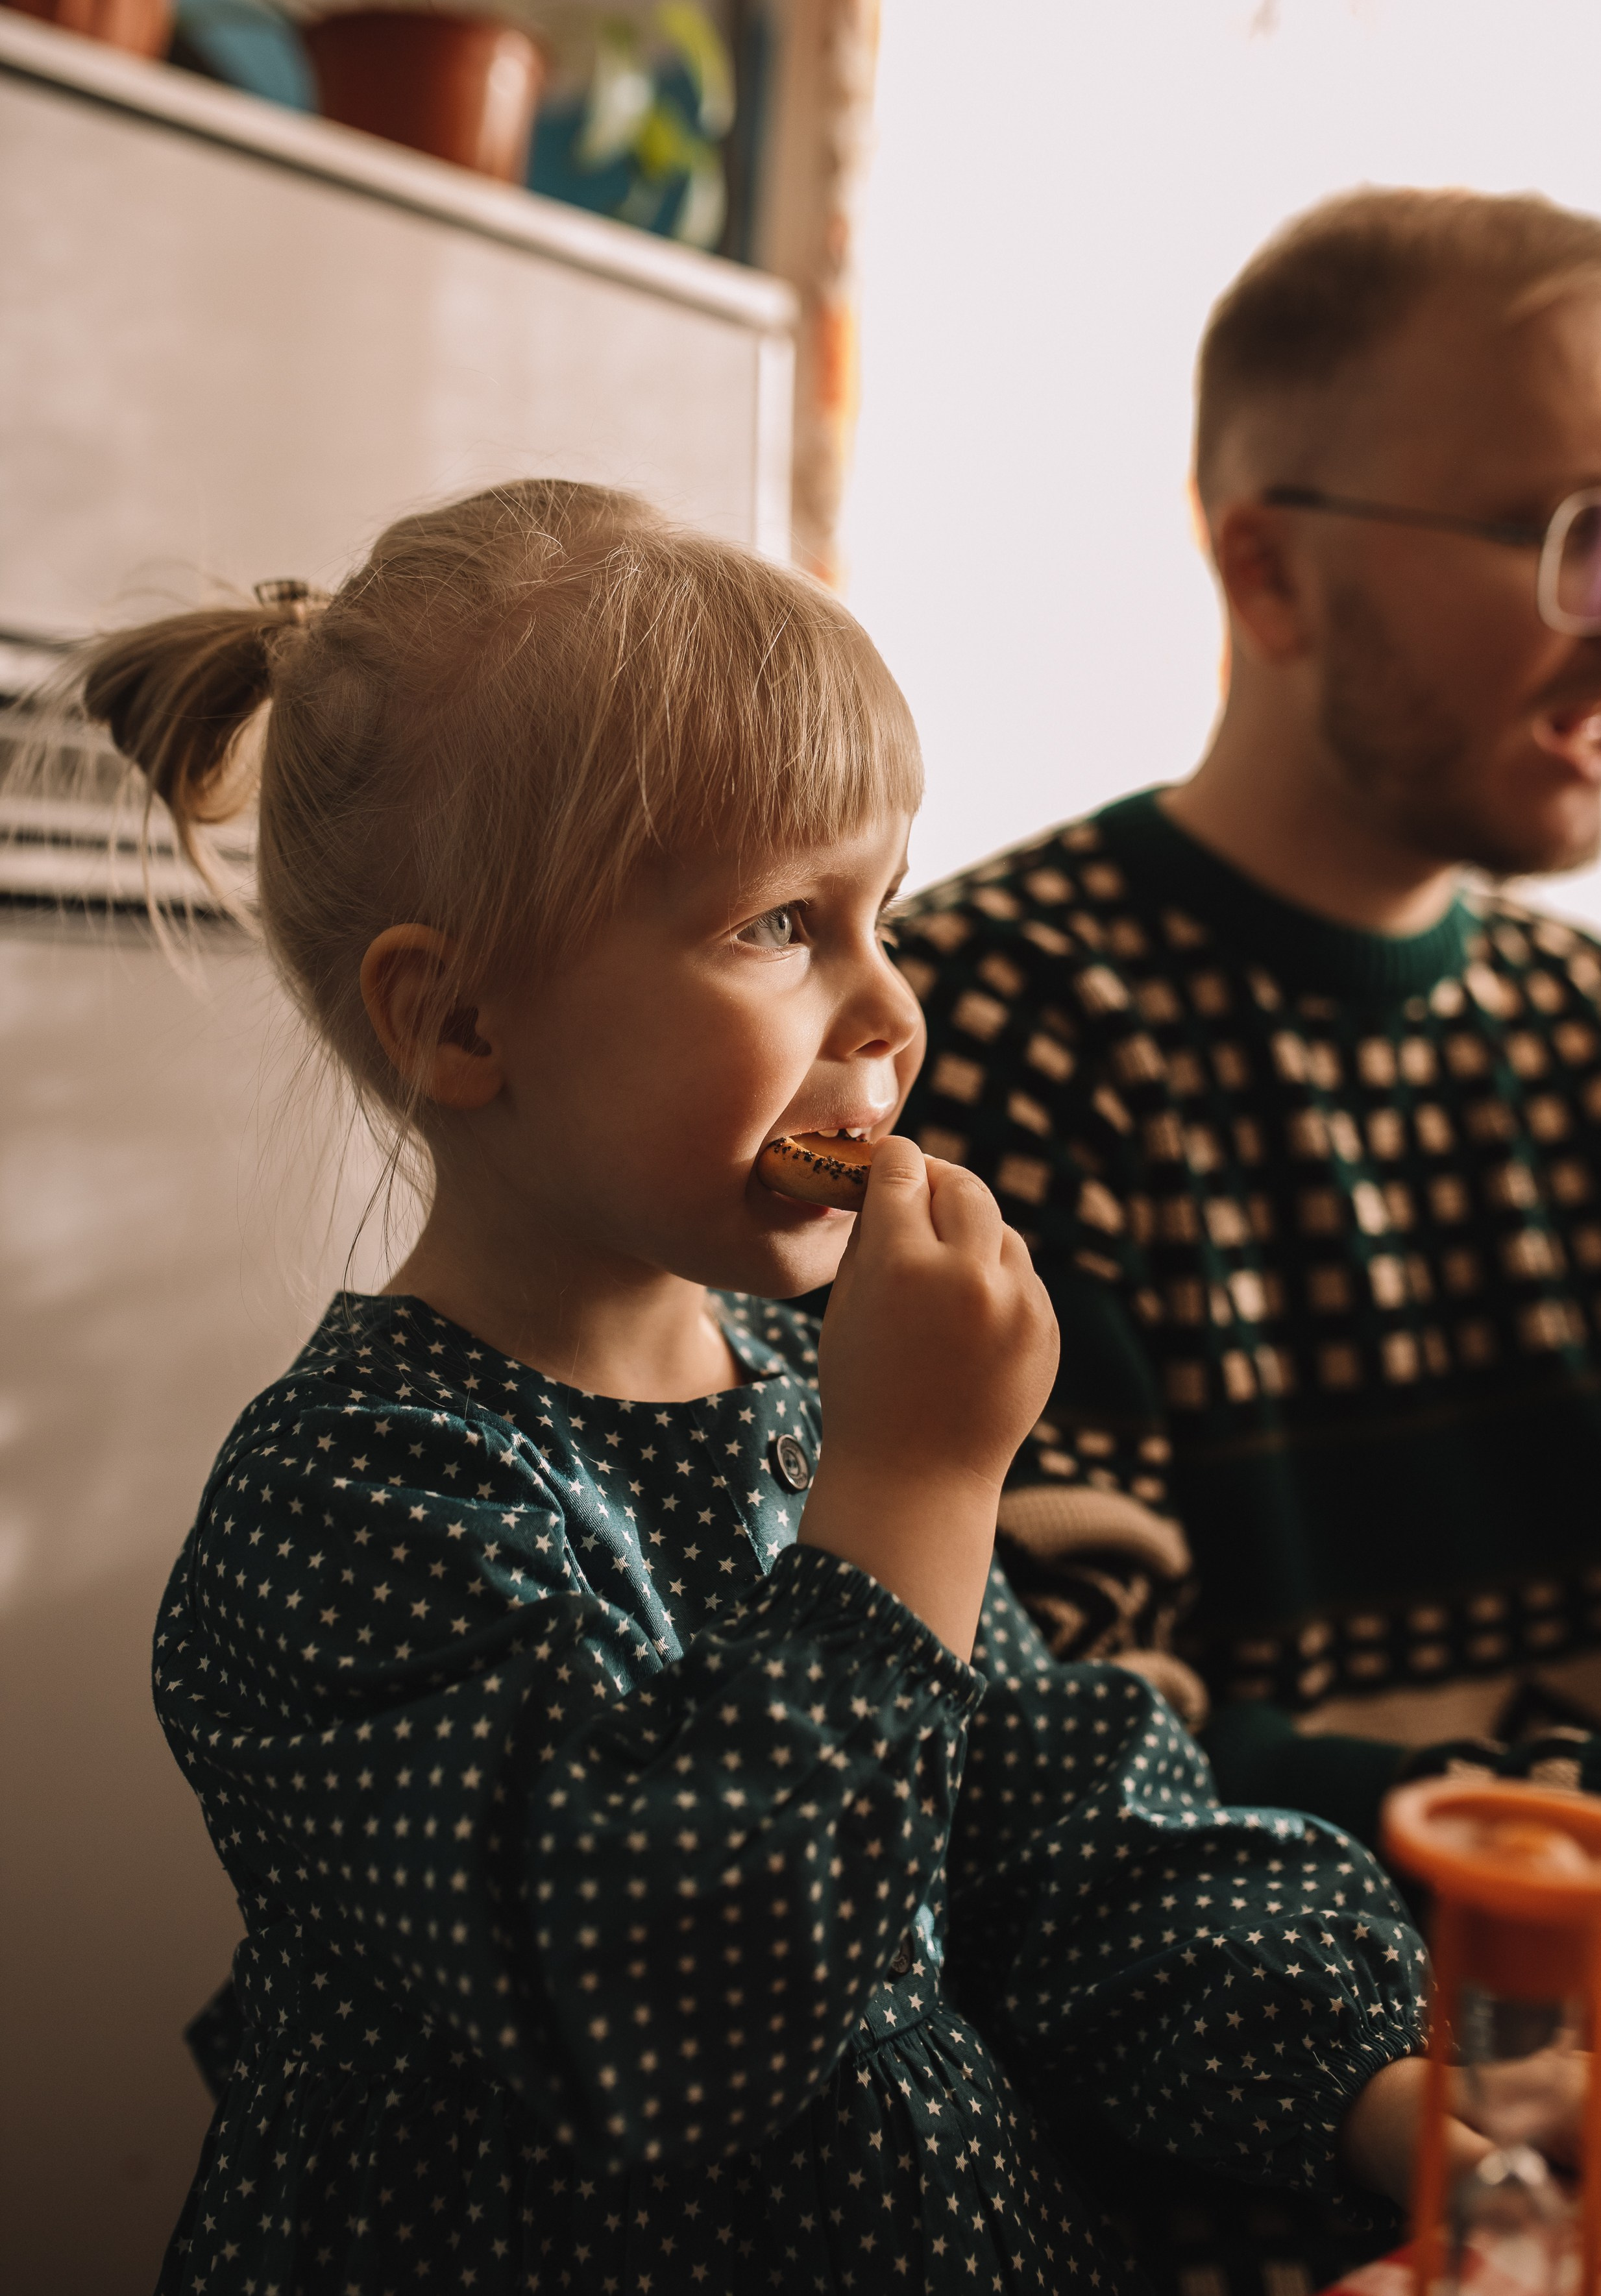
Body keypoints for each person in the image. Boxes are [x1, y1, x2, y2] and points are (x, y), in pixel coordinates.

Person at [77, 481, 1465, 2296]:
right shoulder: (354, 1503)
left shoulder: (807, 1392)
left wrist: (1398, 2099)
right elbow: (678, 2004)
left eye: (879, 904)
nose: (888, 1005)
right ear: (461, 1022)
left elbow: (1057, 1833)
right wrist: (917, 1487)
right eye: (775, 925)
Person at [894, 187, 1601, 1849]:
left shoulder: (1581, 1027)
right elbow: (1061, 1737)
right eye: (1577, 536)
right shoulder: (994, 1020)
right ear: (1269, 573)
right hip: (1268, 2072)